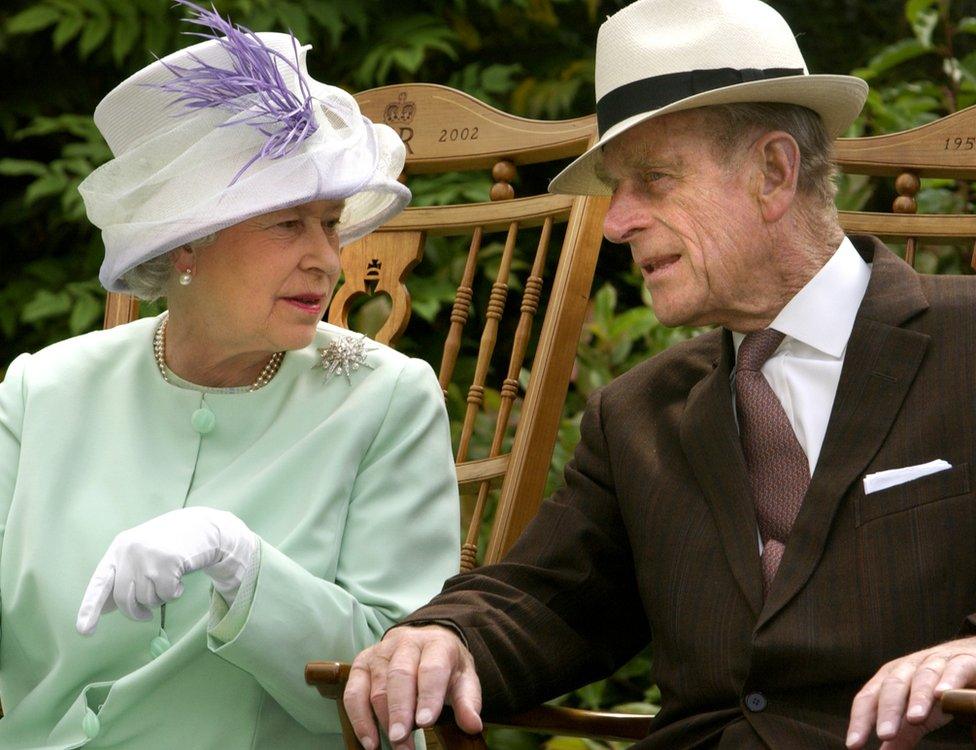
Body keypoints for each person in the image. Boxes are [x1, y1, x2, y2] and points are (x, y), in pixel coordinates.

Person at [342, 1, 976, 748]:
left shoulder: (964, 341)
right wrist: (441, 636)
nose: (615, 222)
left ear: (774, 171)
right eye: (615, 187)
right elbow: (550, 601)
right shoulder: (636, 415)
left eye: (654, 179)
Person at [0, 2, 460, 748]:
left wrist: (244, 565)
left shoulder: (385, 400)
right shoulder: (40, 391)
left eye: (330, 222)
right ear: (186, 245)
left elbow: (392, 686)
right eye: (288, 224)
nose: (326, 258)